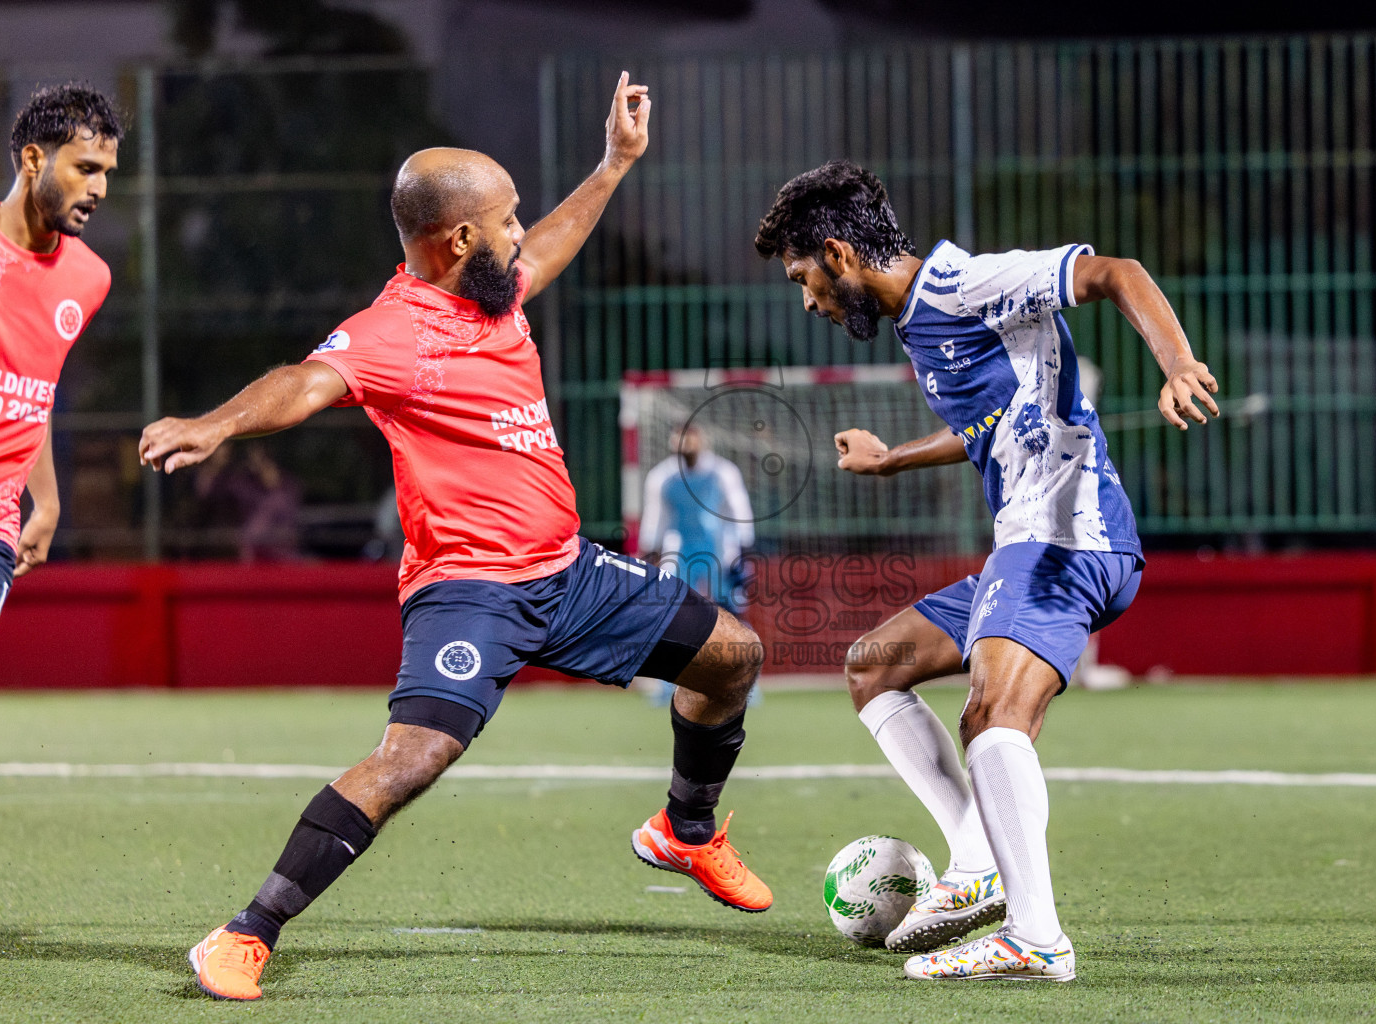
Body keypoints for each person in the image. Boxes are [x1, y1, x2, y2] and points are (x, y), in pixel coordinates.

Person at [141, 74, 771, 1003]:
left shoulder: (496, 294)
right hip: (471, 588)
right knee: (413, 760)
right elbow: (305, 382)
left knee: (732, 655)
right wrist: (218, 424)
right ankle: (244, 933)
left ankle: (684, 830)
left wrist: (613, 165)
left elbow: (548, 246)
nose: (522, 231)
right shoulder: (392, 332)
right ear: (461, 238)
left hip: (570, 573)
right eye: (507, 218)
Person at [755, 160, 1219, 982]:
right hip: (1029, 545)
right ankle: (976, 862)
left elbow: (1116, 272)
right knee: (873, 665)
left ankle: (1035, 936)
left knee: (994, 715)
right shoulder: (917, 324)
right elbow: (993, 422)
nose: (808, 301)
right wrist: (893, 459)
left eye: (803, 279)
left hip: (1069, 538)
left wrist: (1177, 362)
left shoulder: (963, 284)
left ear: (838, 254)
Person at [0, 83, 122, 623]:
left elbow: (34, 390)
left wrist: (46, 504)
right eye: (86, 169)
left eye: (106, 173)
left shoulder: (89, 278)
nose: (100, 189)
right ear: (33, 160)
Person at [638, 424, 756, 705]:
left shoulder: (723, 472)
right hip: (680, 551)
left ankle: (743, 682)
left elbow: (739, 510)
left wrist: (743, 548)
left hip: (719, 550)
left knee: (731, 614)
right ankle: (668, 684)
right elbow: (655, 519)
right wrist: (650, 552)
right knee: (672, 616)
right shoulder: (662, 477)